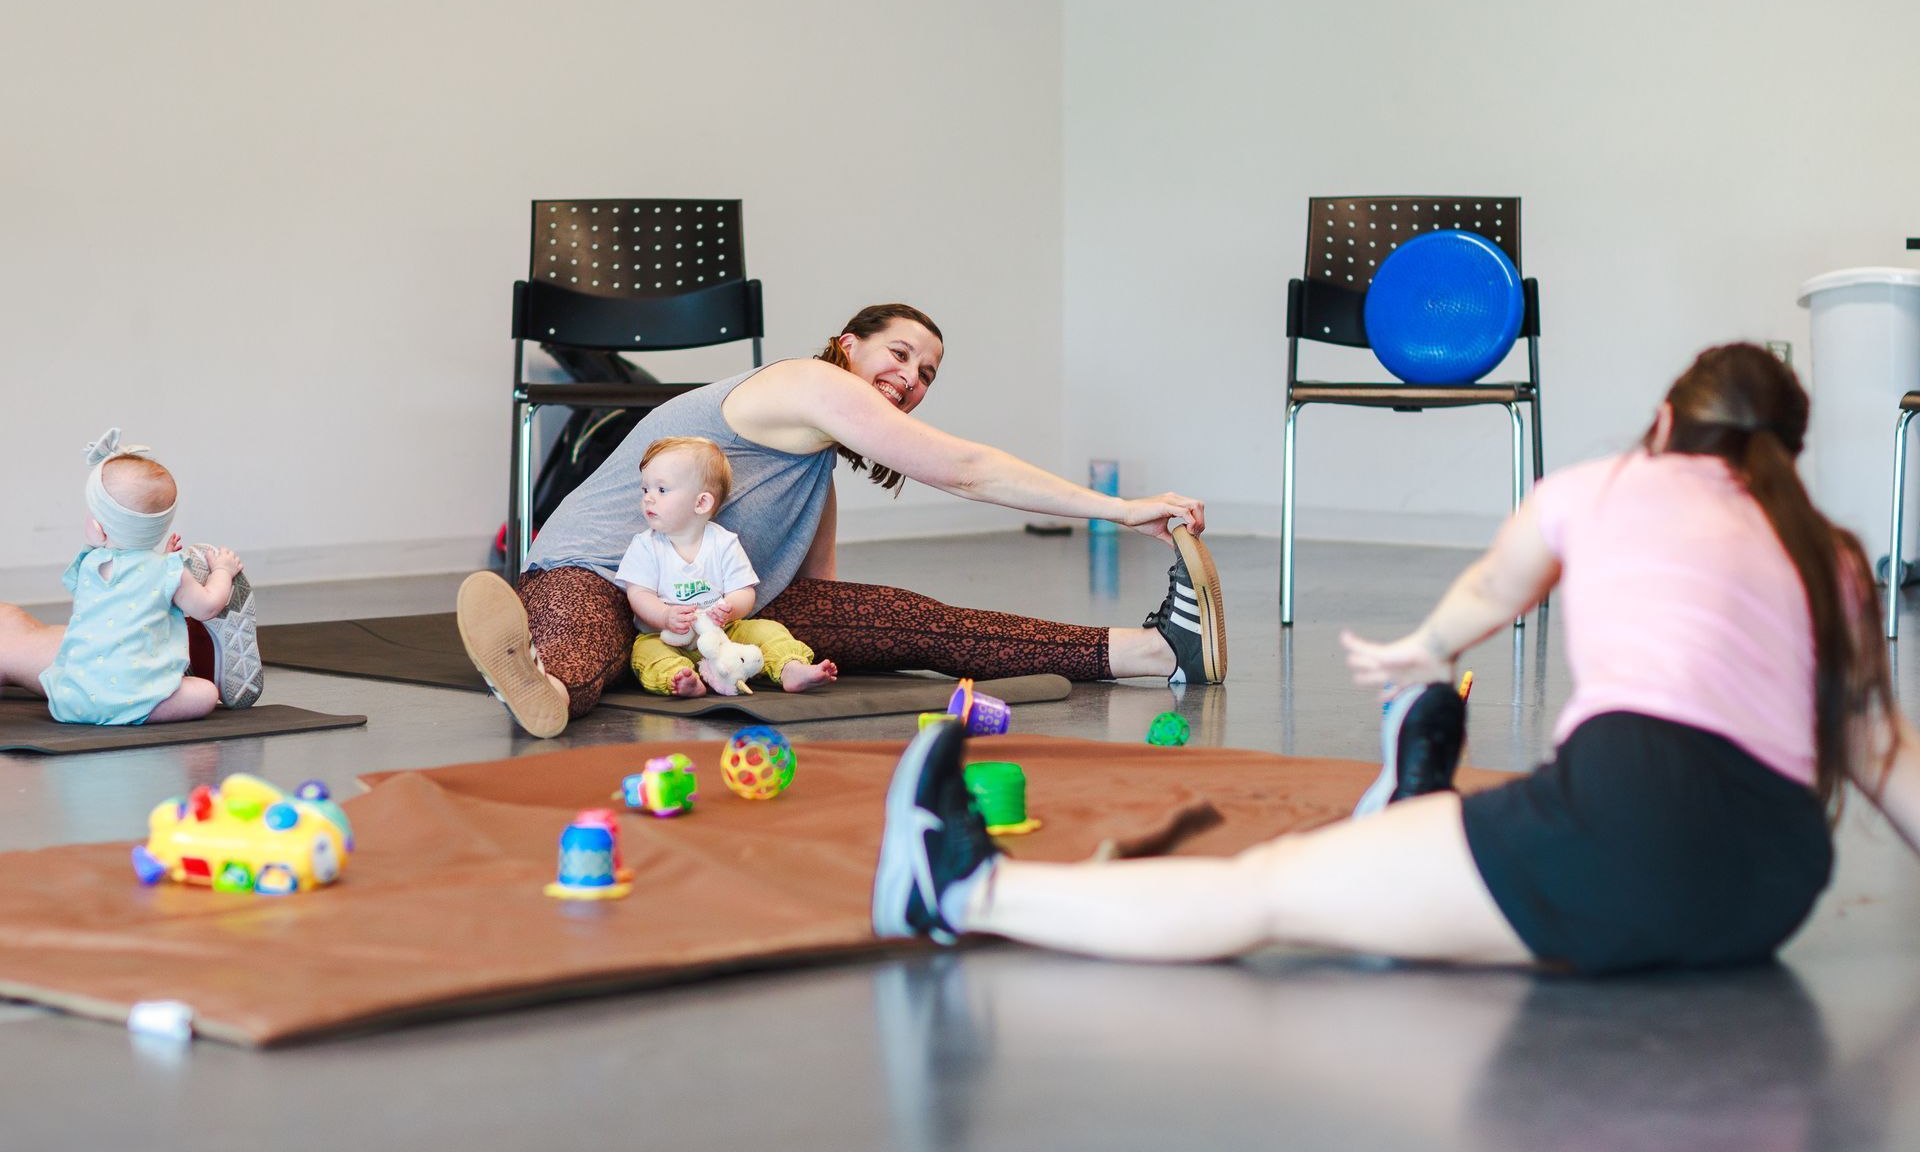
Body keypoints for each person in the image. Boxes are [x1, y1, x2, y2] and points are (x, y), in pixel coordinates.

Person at [871, 343, 1920, 975]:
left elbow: (1487, 594)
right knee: (1443, 888)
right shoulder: (1829, 551)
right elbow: (1883, 755)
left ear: (1664, 420)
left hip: (1619, 845)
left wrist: (1421, 649)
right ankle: (1412, 820)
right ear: (1787, 447)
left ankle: (961, 892)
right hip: (1770, 892)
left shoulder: (1600, 487)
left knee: (1269, 891)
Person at [456, 302, 1227, 738]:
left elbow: (816, 595)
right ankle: (539, 680)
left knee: (913, 620)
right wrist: (1124, 511)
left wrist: (833, 639)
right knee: (585, 634)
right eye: (898, 353)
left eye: (926, 373)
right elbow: (967, 469)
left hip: (711, 609)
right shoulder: (807, 385)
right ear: (846, 347)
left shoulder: (814, 462)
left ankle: (1154, 650)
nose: (911, 377)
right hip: (593, 569)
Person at [35, 430, 254, 725]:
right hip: (132, 696)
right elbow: (208, 607)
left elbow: (124, 590)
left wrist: (163, 561)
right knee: (206, 693)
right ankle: (159, 684)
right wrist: (222, 572)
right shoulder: (168, 571)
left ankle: (159, 676)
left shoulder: (89, 563)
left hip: (71, 701)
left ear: (99, 530)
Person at [620, 436, 837, 698]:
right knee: (645, 652)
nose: (649, 499)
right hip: (665, 635)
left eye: (661, 490)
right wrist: (665, 616)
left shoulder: (723, 542)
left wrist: (729, 609)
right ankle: (679, 678)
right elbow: (638, 594)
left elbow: (745, 591)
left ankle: (790, 667)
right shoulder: (645, 546)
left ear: (701, 503)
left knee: (767, 630)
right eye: (645, 490)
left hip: (723, 633)